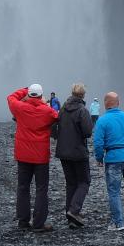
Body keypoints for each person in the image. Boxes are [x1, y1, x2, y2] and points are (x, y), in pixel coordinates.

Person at [7, 83, 60, 231]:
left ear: (29, 94)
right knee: (41, 188)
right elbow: (58, 117)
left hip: (23, 154)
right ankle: (38, 223)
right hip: (41, 156)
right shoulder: (47, 111)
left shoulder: (20, 107)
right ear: (42, 95)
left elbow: (10, 97)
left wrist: (24, 89)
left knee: (23, 187)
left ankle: (23, 221)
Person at [93, 91, 124, 230]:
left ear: (105, 104)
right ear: (118, 103)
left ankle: (118, 223)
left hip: (113, 159)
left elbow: (98, 143)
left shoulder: (102, 120)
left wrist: (99, 158)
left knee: (114, 191)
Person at [55, 83, 96, 227]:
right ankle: (74, 210)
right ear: (83, 95)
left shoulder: (63, 109)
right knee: (84, 181)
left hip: (63, 152)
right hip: (78, 152)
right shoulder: (82, 110)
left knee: (71, 183)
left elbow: (54, 128)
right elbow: (87, 132)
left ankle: (71, 216)